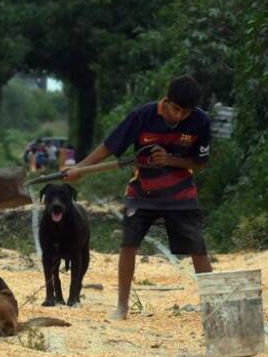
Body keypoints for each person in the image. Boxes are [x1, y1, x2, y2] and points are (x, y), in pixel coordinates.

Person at [64, 75, 212, 320]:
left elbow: (201, 163)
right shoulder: (141, 116)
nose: (179, 117)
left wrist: (171, 160)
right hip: (142, 191)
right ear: (165, 102)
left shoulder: (201, 121)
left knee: (198, 248)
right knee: (128, 245)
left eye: (186, 112)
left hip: (181, 193)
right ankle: (122, 307)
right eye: (175, 109)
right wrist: (80, 168)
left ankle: (212, 307)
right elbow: (110, 147)